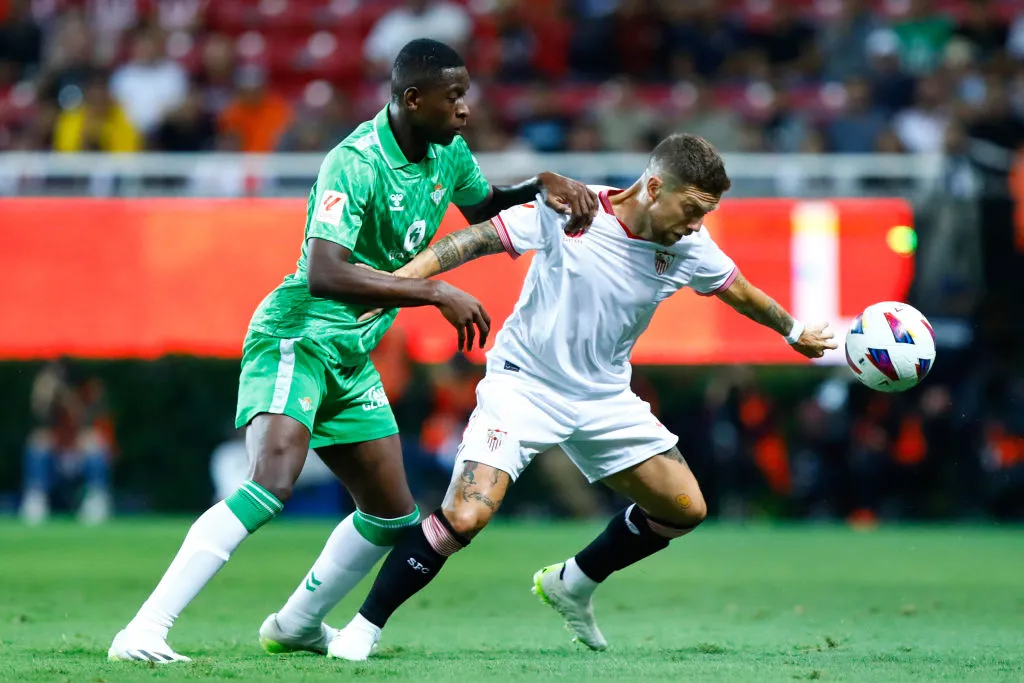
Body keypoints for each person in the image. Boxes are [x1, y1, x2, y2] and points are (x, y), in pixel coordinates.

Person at [107, 38, 596, 664]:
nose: (465, 109)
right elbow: (325, 273)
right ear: (412, 99)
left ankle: (296, 624)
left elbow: (485, 206)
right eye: (454, 97)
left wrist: (540, 185)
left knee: (392, 515)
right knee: (270, 482)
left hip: (350, 350)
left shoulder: (447, 151)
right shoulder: (355, 162)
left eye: (466, 95)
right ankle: (144, 630)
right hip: (298, 335)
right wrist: (433, 291)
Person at [326, 133, 837, 660]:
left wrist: (793, 330)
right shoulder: (573, 208)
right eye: (691, 209)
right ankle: (363, 627)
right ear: (653, 188)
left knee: (684, 508)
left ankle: (572, 582)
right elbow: (473, 241)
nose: (695, 224)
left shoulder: (691, 247)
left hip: (604, 398)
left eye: (705, 214)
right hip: (524, 386)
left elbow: (741, 292)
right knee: (466, 516)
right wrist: (394, 285)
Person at [19, 358, 114, 525]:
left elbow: (97, 417)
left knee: (96, 444)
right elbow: (40, 409)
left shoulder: (88, 386)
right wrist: (49, 384)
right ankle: (36, 498)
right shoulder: (49, 386)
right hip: (56, 452)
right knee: (37, 443)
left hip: (79, 450)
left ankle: (96, 498)